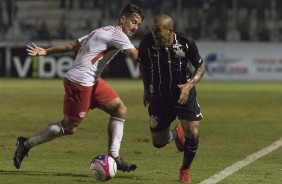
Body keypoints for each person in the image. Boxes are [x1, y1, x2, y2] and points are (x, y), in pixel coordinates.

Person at [13, 3, 144, 172]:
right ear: (122, 19)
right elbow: (135, 55)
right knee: (68, 127)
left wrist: (46, 51)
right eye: (133, 22)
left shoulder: (102, 30)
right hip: (80, 82)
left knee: (120, 109)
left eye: (138, 24)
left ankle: (114, 157)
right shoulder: (119, 35)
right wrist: (160, 56)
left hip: (92, 81)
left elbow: (72, 46)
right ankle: (26, 143)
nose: (135, 27)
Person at [138, 14, 205, 183]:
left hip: (183, 92)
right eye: (153, 31)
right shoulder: (146, 43)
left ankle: (185, 170)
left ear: (170, 31)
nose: (154, 35)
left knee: (193, 132)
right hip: (159, 96)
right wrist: (146, 90)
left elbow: (200, 67)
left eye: (158, 32)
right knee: (158, 142)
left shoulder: (185, 42)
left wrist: (189, 86)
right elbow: (143, 65)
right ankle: (177, 134)